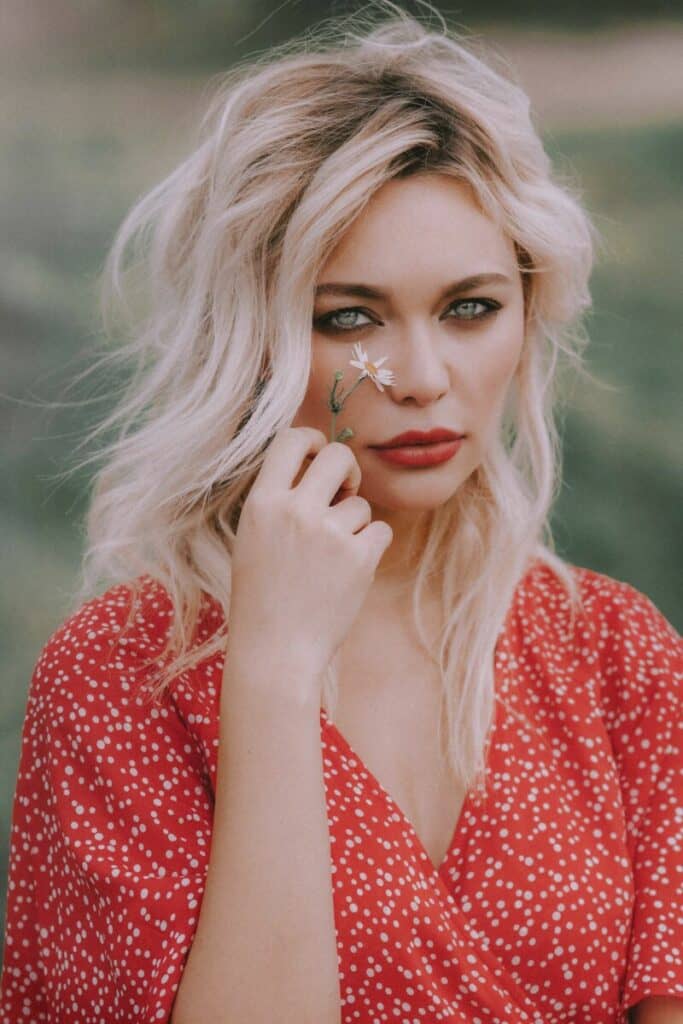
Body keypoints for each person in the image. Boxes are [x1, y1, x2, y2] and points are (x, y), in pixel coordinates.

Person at [1, 4, 681, 1023]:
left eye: (468, 308)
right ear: (256, 335)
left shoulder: (616, 657)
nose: (418, 376)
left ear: (528, 311)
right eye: (348, 318)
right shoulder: (115, 681)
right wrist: (271, 670)